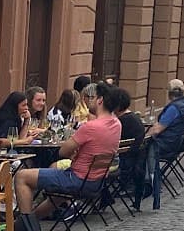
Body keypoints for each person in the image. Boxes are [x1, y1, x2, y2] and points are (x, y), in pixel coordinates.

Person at [15, 81, 122, 216]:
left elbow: (63, 151)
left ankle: (25, 227)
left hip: (76, 179)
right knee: (57, 196)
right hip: (97, 182)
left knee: (22, 176)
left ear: (100, 100)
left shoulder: (90, 127)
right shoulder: (117, 124)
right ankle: (27, 223)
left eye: (92, 98)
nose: (89, 101)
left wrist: (75, 151)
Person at [143, 80, 184, 209]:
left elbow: (157, 129)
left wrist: (143, 139)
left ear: (169, 94)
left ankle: (146, 182)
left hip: (165, 144)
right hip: (177, 143)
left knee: (142, 148)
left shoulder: (174, 108)